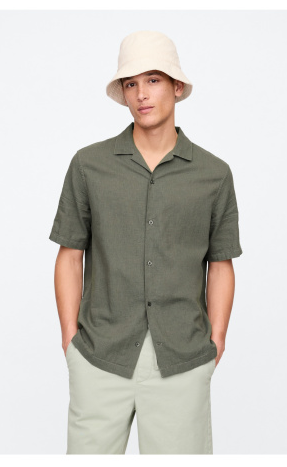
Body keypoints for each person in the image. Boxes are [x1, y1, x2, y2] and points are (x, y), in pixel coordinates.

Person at [49, 30, 243, 455]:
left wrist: (216, 341)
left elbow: (221, 262)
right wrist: (70, 341)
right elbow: (70, 255)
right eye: (131, 83)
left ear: (177, 86)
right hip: (99, 355)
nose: (141, 94)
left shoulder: (214, 174)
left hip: (182, 359)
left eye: (153, 80)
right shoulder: (89, 165)